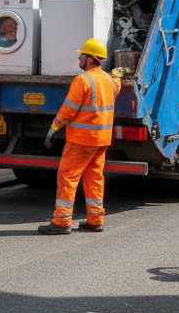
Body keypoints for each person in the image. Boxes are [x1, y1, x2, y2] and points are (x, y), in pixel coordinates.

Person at [39, 38, 126, 235]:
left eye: (82, 55)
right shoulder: (109, 81)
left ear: (90, 59)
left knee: (67, 176)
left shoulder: (82, 80)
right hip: (102, 140)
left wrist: (54, 128)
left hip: (82, 140)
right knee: (94, 178)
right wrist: (118, 77)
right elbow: (114, 90)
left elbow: (68, 109)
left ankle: (61, 221)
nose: (79, 57)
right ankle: (95, 220)